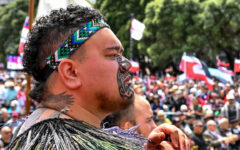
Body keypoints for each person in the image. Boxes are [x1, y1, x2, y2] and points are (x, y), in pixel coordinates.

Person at [7, 5, 189, 150]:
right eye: (112, 55)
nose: (127, 65)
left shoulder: (44, 132)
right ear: (71, 72)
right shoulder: (56, 142)